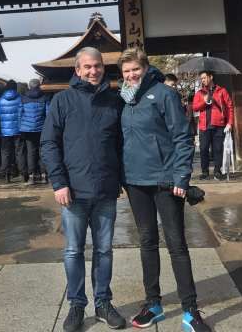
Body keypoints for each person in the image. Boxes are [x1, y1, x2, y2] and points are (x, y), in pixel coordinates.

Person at [118, 49, 211, 332]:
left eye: (135, 69)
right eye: (126, 71)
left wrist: (181, 178)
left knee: (176, 243)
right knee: (146, 241)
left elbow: (182, 138)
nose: (131, 75)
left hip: (164, 180)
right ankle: (153, 303)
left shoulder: (163, 94)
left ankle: (190, 310)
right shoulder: (124, 99)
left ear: (145, 68)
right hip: (135, 180)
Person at [41, 47, 126, 332]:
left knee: (104, 250)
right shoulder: (62, 101)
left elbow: (121, 145)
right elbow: (49, 143)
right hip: (73, 191)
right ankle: (77, 304)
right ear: (77, 70)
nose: (93, 71)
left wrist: (122, 180)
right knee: (73, 251)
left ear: (103, 68)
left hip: (105, 189)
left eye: (98, 66)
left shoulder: (114, 101)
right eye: (87, 67)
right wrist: (59, 182)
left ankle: (103, 302)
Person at [192, 71, 234, 181]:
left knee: (218, 149)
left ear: (211, 77)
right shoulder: (200, 93)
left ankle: (217, 171)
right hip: (204, 125)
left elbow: (230, 107)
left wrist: (230, 122)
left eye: (205, 77)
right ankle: (205, 172)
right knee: (203, 149)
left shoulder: (221, 91)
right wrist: (205, 102)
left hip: (219, 124)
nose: (203, 80)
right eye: (201, 78)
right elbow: (195, 107)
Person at [19, 78, 48, 184]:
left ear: (30, 86)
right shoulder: (45, 97)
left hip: (27, 130)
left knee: (30, 152)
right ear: (39, 86)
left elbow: (20, 114)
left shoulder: (23, 98)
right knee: (42, 152)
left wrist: (20, 127)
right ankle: (44, 175)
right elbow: (48, 114)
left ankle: (31, 176)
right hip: (41, 129)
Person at [0, 80, 23, 183]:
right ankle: (22, 172)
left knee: (6, 152)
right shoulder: (20, 99)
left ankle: (6, 172)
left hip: (5, 132)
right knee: (19, 151)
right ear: (15, 88)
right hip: (18, 131)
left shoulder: (0, 100)